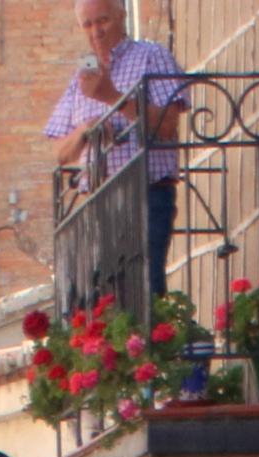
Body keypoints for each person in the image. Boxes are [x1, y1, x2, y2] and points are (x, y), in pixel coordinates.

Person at [43, 0, 187, 282]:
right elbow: (59, 152)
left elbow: (167, 126)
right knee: (105, 296)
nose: (96, 31)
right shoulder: (81, 79)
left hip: (146, 194)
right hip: (97, 202)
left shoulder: (151, 56)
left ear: (122, 16)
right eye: (88, 24)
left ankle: (152, 328)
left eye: (103, 21)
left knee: (143, 285)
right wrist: (86, 128)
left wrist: (112, 97)